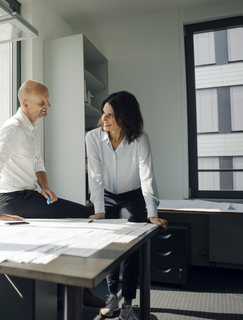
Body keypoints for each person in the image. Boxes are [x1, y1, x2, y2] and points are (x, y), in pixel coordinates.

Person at [0, 79, 105, 308]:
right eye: (42, 101)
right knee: (84, 215)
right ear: (26, 103)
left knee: (79, 216)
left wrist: (44, 186)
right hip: (13, 199)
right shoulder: (13, 129)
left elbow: (38, 162)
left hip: (28, 194)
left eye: (48, 100)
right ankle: (78, 293)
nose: (48, 105)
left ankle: (63, 293)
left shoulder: (31, 126)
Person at [85, 91, 168, 320]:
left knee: (131, 247)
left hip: (133, 195)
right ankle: (113, 297)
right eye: (104, 113)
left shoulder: (140, 138)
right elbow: (95, 175)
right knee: (111, 245)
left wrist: (152, 212)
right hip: (108, 196)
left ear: (125, 117)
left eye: (110, 115)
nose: (104, 119)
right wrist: (99, 209)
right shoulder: (93, 138)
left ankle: (128, 304)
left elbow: (147, 175)